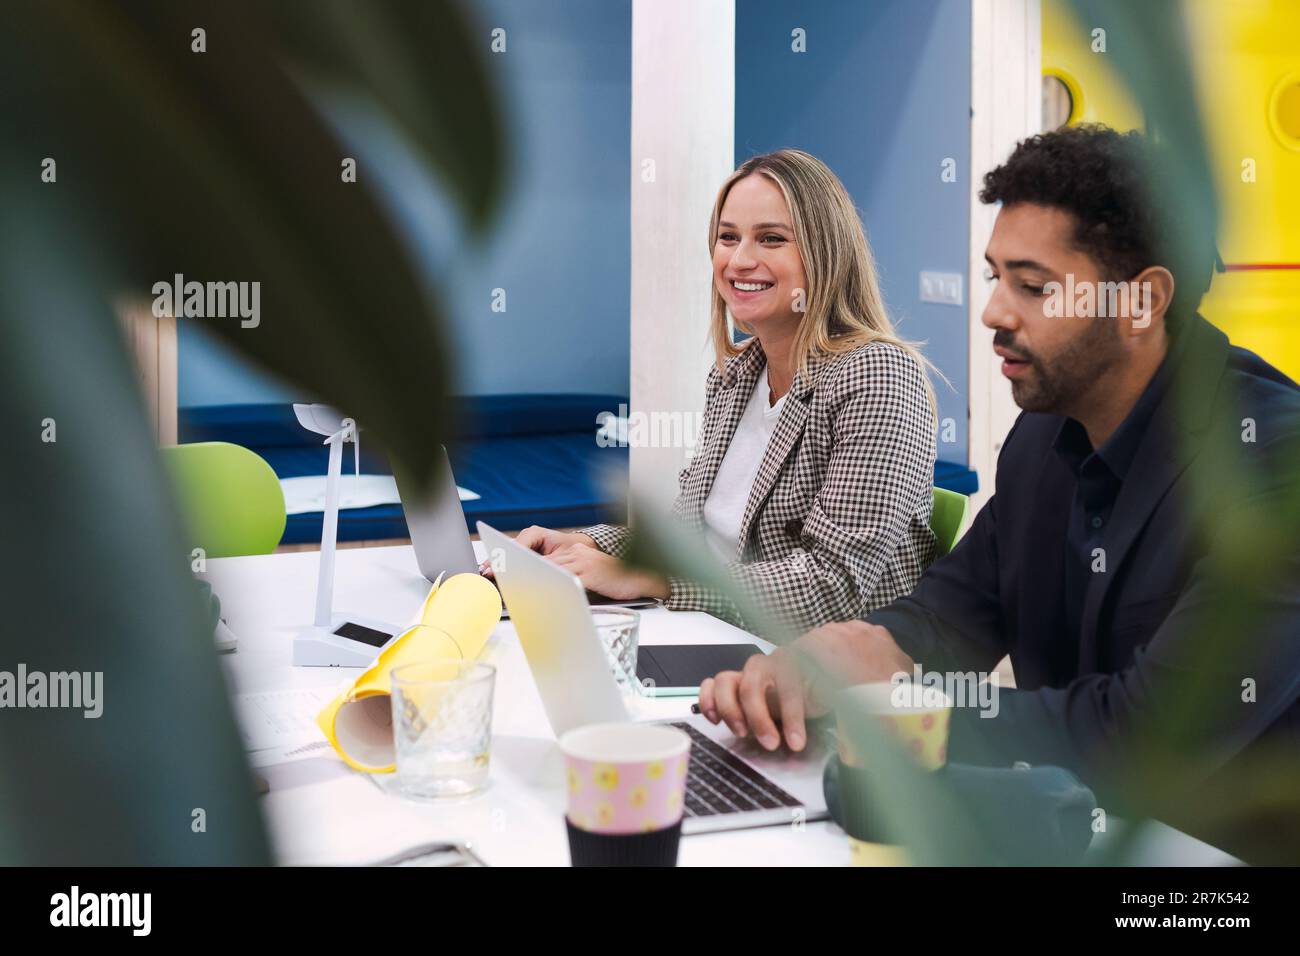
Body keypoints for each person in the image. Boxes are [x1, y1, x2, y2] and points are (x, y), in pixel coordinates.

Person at [699, 126, 1300, 792]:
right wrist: (837, 657)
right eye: (995, 277)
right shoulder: (1043, 437)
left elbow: (1147, 737)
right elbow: (947, 616)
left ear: (1141, 301)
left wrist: (897, 710)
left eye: (1033, 288)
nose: (991, 311)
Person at [507, 149, 938, 635]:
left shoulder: (878, 375)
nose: (739, 260)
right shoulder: (735, 376)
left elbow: (833, 586)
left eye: (771, 239)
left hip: (819, 672)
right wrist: (583, 545)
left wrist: (654, 579)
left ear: (826, 253)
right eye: (727, 237)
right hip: (711, 631)